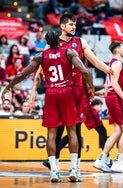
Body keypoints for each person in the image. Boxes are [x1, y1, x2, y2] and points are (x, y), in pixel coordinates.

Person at [1, 30, 94, 183]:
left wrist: (8, 87)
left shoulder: (41, 56)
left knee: (51, 133)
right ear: (58, 39)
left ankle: (54, 171)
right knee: (72, 131)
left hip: (50, 94)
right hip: (66, 92)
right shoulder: (69, 52)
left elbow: (22, 75)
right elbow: (85, 71)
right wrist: (91, 88)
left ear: (47, 42)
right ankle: (73, 169)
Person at [31, 13, 113, 180]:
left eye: (75, 24)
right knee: (59, 129)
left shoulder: (80, 42)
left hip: (78, 91)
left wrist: (108, 70)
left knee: (76, 129)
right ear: (62, 26)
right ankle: (55, 167)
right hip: (61, 89)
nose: (73, 26)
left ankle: (74, 169)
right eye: (70, 24)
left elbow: (95, 62)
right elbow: (39, 71)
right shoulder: (52, 43)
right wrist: (33, 91)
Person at [93, 41, 123, 173]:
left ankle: (101, 159)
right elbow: (113, 83)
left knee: (118, 131)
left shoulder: (111, 63)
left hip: (111, 97)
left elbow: (107, 86)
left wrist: (99, 93)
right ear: (117, 50)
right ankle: (119, 162)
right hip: (116, 98)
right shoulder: (117, 63)